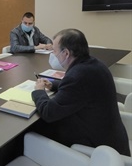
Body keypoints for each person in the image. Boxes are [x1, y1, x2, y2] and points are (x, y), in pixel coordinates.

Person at [31, 28, 130, 156]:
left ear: (66, 53)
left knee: (37, 127)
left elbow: (49, 112)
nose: (53, 55)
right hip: (111, 134)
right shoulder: (95, 64)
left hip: (99, 146)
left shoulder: (76, 76)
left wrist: (39, 91)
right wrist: (54, 85)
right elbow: (82, 89)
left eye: (54, 52)